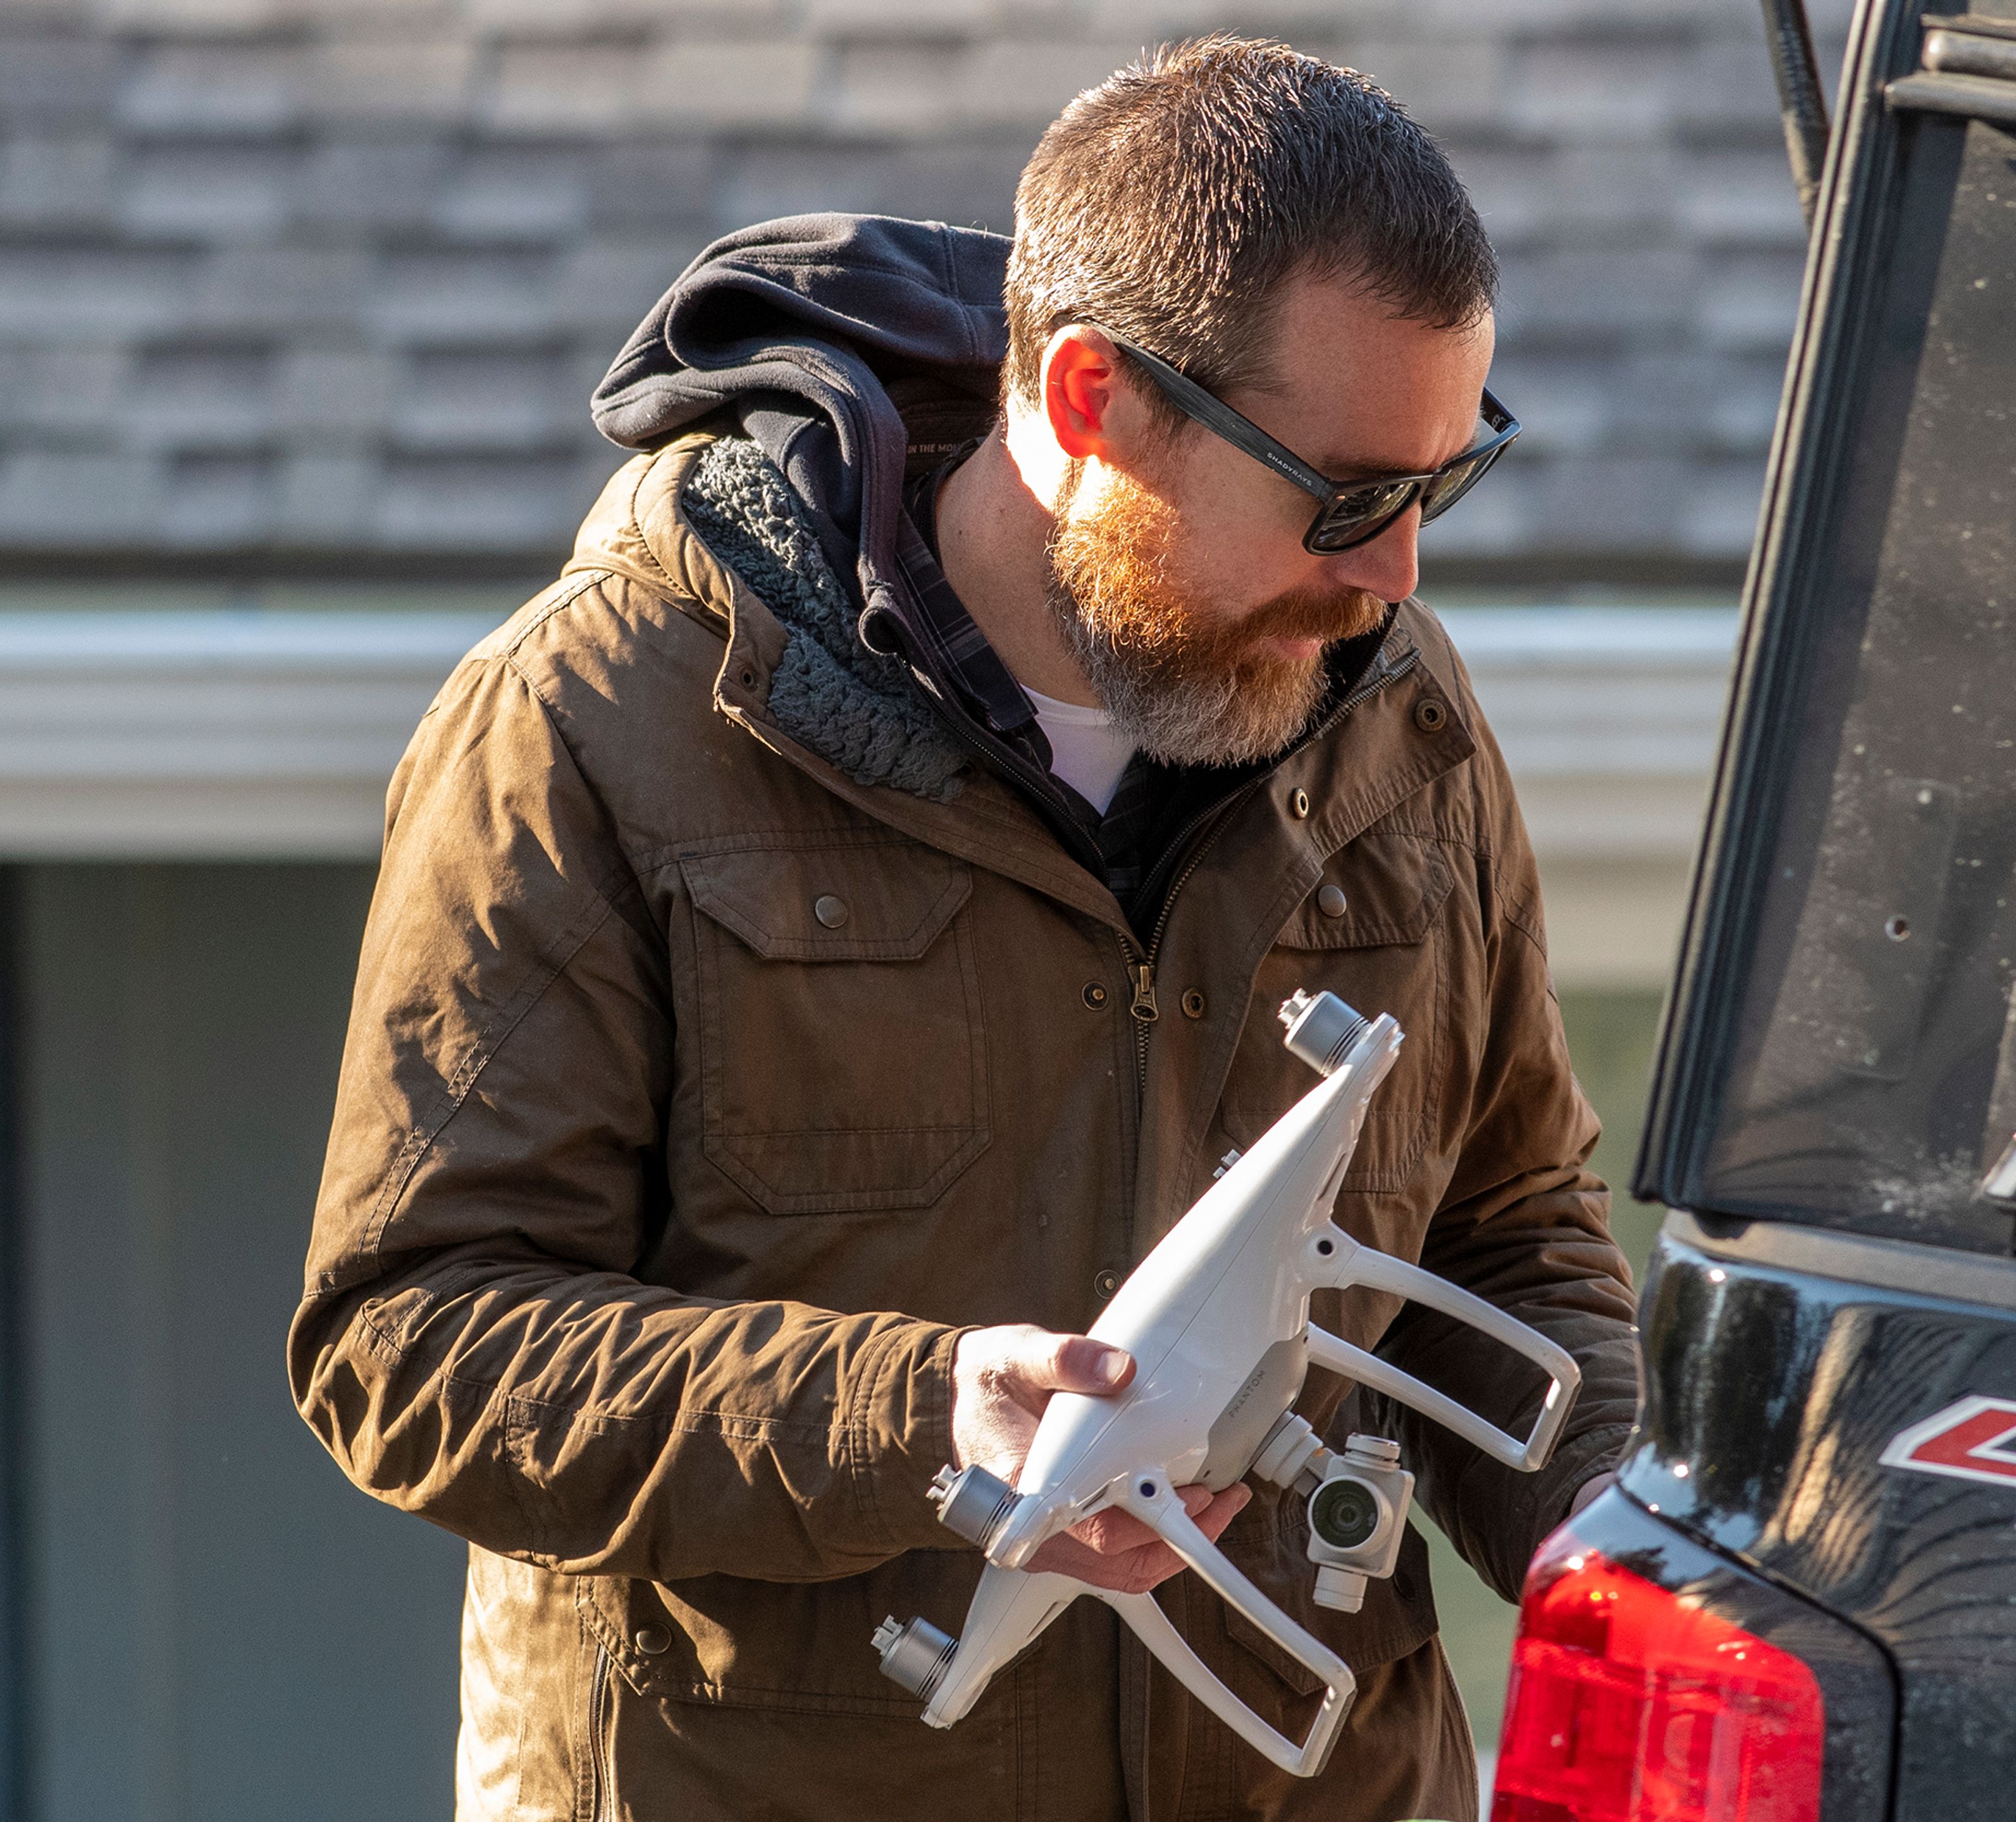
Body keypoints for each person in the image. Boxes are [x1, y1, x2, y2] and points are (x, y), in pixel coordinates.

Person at [292, 34, 1638, 1822]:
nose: (1396, 577)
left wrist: (1666, 1548)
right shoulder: (595, 721)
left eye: (1441, 484)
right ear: (1091, 404)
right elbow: (414, 1339)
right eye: (1349, 495)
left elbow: (1509, 1236)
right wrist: (920, 1416)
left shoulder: (1395, 714)